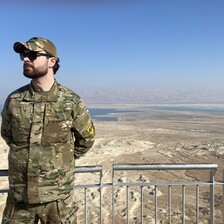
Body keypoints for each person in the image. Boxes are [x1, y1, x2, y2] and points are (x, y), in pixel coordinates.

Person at [1, 37, 95, 223]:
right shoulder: (14, 100)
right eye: (23, 55)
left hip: (57, 201)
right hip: (20, 199)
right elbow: (7, 134)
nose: (25, 59)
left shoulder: (70, 101)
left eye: (32, 55)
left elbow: (86, 139)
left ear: (52, 61)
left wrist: (60, 159)